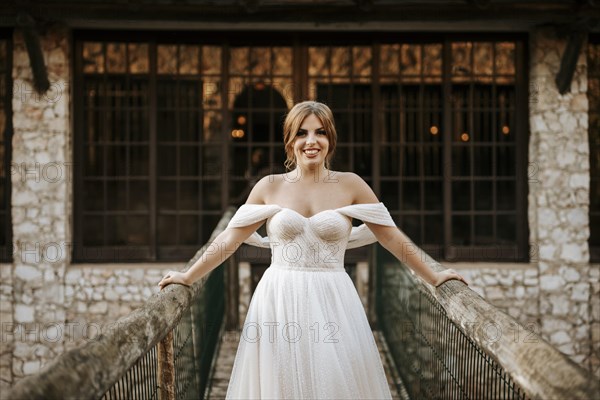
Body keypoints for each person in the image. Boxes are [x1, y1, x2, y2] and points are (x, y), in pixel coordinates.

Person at [158, 100, 469, 399]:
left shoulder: (351, 185)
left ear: (330, 139)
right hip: (278, 299)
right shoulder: (269, 186)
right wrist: (188, 276)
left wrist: (435, 276)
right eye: (302, 133)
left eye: (320, 132)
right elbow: (229, 239)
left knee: (333, 382)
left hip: (334, 299)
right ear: (290, 141)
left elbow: (390, 237)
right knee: (279, 384)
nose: (312, 141)